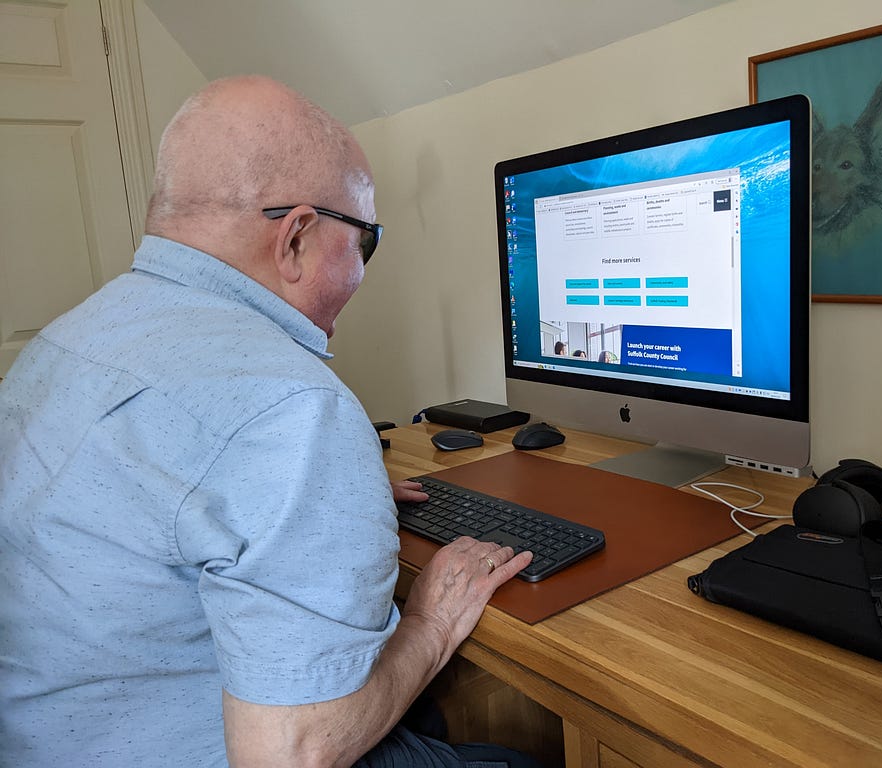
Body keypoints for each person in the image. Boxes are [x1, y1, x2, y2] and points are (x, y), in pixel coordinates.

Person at [0, 76, 539, 768]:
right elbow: (294, 756)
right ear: (296, 239)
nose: (363, 269)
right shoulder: (290, 408)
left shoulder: (62, 342)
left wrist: (329, 497)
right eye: (364, 242)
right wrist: (432, 625)